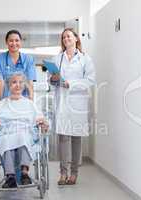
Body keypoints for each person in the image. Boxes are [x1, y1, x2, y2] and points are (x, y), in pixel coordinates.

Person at [0, 72, 48, 188]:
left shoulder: (30, 104)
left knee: (22, 136)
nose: (18, 85)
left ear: (24, 85)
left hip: (25, 133)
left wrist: (43, 123)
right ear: (9, 85)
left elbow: (44, 124)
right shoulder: (0, 105)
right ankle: (10, 176)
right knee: (5, 140)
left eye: (20, 82)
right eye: (14, 82)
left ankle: (24, 173)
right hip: (6, 133)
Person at [50, 28, 95, 185]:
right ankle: (63, 173)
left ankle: (74, 173)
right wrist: (54, 79)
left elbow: (90, 80)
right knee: (63, 137)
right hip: (62, 102)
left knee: (76, 138)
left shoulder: (85, 59)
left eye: (68, 36)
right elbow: (52, 80)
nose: (66, 39)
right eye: (63, 37)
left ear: (76, 38)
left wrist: (72, 83)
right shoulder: (58, 58)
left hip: (78, 103)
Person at [0, 29, 36, 100]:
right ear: (6, 42)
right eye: (11, 41)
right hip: (6, 100)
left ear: (20, 42)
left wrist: (31, 100)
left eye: (17, 40)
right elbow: (0, 82)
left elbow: (30, 82)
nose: (14, 43)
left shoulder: (29, 59)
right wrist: (0, 101)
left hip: (23, 100)